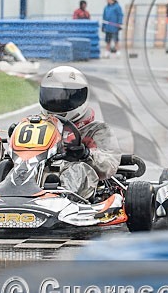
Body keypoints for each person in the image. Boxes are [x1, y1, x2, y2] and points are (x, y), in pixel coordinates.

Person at [38, 66, 121, 199]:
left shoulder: (96, 130)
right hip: (39, 173)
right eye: (52, 97)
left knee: (77, 169)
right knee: (9, 166)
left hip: (76, 182)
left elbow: (109, 164)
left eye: (64, 98)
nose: (57, 102)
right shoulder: (38, 126)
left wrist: (85, 154)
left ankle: (60, 199)